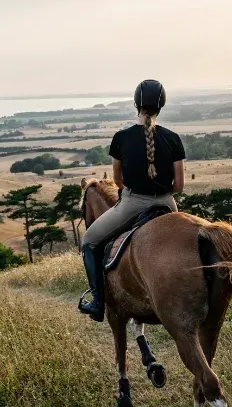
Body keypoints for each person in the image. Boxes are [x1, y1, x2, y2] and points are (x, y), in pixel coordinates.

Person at [78, 79, 185, 321]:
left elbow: (117, 181)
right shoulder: (173, 138)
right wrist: (161, 194)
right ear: (161, 106)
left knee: (89, 242)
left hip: (132, 203)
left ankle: (97, 303)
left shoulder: (121, 138)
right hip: (167, 203)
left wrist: (138, 193)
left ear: (136, 105)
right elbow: (179, 186)